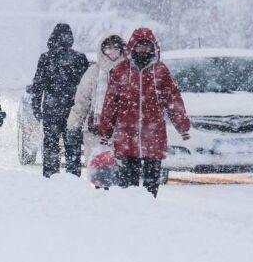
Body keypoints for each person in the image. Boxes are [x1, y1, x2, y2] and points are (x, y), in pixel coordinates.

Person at [98, 28, 191, 197]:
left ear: (153, 48)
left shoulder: (161, 71)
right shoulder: (121, 71)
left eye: (147, 47)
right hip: (127, 135)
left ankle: (150, 210)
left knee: (151, 183)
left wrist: (182, 126)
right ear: (133, 47)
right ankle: (131, 212)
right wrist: (105, 130)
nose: (143, 50)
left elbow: (173, 100)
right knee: (128, 184)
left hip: (153, 135)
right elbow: (110, 103)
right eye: (139, 46)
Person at [31, 23, 89, 177]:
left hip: (52, 108)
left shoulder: (45, 58)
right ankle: (72, 176)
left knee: (51, 143)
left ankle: (50, 175)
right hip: (73, 109)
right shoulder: (79, 58)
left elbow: (37, 85)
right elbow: (86, 87)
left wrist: (36, 107)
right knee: (73, 145)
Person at [65, 34, 126, 178]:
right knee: (96, 172)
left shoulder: (129, 72)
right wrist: (73, 126)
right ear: (102, 49)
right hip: (95, 130)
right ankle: (96, 197)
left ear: (121, 50)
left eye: (115, 48)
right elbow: (81, 102)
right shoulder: (93, 72)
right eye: (108, 48)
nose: (111, 52)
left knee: (119, 174)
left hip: (121, 131)